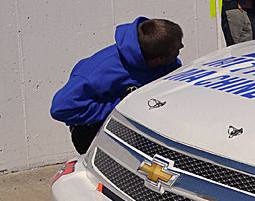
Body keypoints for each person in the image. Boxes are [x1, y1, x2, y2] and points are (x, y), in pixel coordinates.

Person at [50, 18, 183, 154]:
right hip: (95, 131)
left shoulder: (167, 64)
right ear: (159, 59)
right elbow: (60, 109)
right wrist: (119, 105)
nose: (182, 48)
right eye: (177, 49)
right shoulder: (96, 72)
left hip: (140, 121)